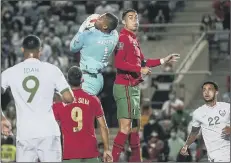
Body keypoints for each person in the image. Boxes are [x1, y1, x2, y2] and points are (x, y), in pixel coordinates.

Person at [112, 8, 180, 162]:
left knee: (135, 130)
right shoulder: (122, 38)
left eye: (136, 18)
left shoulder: (134, 39)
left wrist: (163, 60)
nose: (134, 20)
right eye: (130, 18)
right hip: (124, 86)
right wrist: (139, 69)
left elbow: (143, 61)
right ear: (123, 21)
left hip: (134, 88)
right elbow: (119, 62)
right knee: (125, 128)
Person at [1, 35, 74, 162]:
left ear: (22, 50)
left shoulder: (10, 72)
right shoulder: (52, 70)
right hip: (49, 132)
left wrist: (2, 119)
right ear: (40, 50)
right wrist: (55, 95)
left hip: (25, 134)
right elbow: (69, 98)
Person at [53, 66, 113, 163]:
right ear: (82, 80)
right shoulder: (93, 99)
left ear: (68, 82)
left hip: (70, 154)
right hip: (90, 152)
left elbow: (54, 129)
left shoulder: (60, 103)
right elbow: (103, 126)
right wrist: (106, 149)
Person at [70, 13, 119, 96]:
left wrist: (81, 29)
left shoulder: (87, 35)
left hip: (88, 79)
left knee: (80, 106)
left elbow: (73, 47)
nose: (97, 19)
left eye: (100, 19)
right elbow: (112, 27)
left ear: (105, 27)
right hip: (98, 79)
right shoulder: (114, 36)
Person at [180, 81, 230, 162]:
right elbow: (194, 133)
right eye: (204, 90)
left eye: (210, 89)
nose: (206, 92)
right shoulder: (198, 113)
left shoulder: (227, 108)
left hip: (226, 153)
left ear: (216, 92)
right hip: (211, 155)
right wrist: (186, 146)